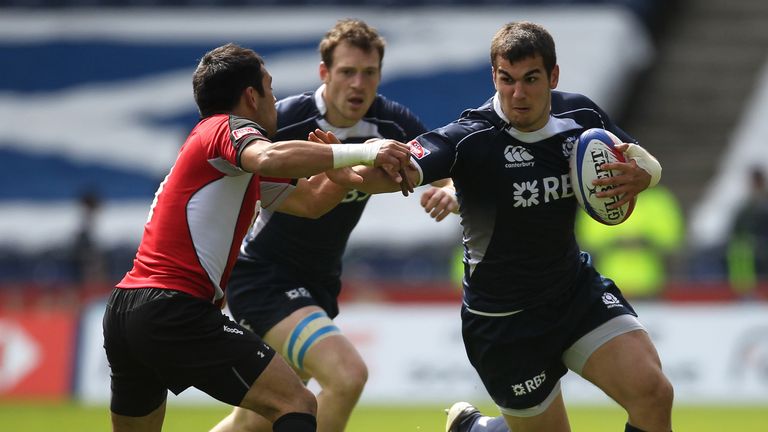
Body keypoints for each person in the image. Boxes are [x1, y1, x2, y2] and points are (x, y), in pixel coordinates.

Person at [317, 21, 673, 432]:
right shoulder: (469, 137)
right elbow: (400, 171)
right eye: (507, 80)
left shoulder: (581, 115)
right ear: (494, 77)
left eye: (530, 80)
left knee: (654, 393)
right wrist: (349, 173)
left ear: (553, 77)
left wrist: (646, 176)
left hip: (573, 292)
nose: (517, 94)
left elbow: (638, 159)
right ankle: (473, 428)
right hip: (505, 322)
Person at [101, 42, 413, 432]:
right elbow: (268, 157)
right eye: (270, 86)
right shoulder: (229, 128)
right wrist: (364, 151)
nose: (276, 98)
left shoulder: (221, 159)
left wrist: (343, 173)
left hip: (127, 310)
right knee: (297, 403)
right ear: (252, 95)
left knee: (254, 417)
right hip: (175, 308)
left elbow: (311, 203)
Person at [210, 19, 458, 432]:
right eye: (346, 72)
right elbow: (227, 187)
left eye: (369, 73)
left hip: (319, 283)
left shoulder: (392, 125)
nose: (358, 84)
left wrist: (452, 193)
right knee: (347, 375)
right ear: (324, 73)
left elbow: (445, 167)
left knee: (252, 423)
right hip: (264, 278)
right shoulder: (286, 122)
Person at [575, 184, 684, 298]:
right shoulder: (599, 199)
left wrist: (643, 241)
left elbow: (672, 239)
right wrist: (622, 241)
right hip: (611, 284)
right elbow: (589, 239)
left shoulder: (659, 199)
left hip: (649, 284)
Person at [727, 166, 768, 294]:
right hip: (751, 243)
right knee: (740, 250)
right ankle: (743, 290)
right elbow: (737, 226)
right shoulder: (747, 205)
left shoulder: (761, 204)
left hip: (762, 242)